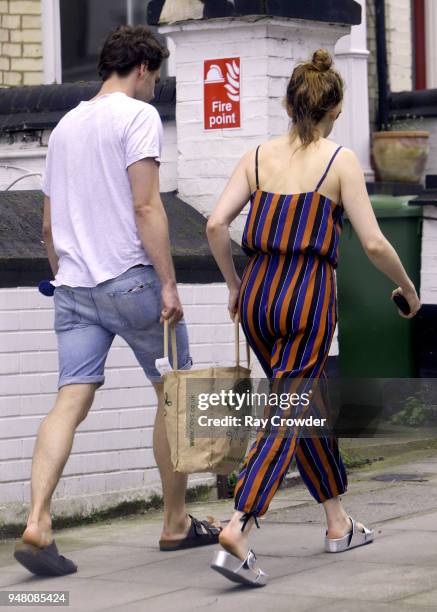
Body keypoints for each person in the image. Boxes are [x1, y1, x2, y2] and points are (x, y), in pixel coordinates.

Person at [206, 49, 421, 587]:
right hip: (305, 300)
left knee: (300, 402)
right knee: (288, 411)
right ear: (335, 109)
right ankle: (240, 523)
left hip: (258, 296)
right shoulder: (339, 160)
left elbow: (214, 224)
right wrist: (407, 288)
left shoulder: (256, 156)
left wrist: (235, 287)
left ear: (288, 103)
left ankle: (337, 522)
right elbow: (372, 242)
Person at [14, 25, 221, 578]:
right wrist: (170, 285)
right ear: (144, 68)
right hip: (132, 284)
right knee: (175, 396)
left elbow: (49, 228)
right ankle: (176, 523)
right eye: (158, 75)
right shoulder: (137, 117)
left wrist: (68, 276)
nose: (157, 85)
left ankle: (37, 521)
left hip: (74, 289)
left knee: (69, 401)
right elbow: (149, 208)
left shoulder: (64, 127)